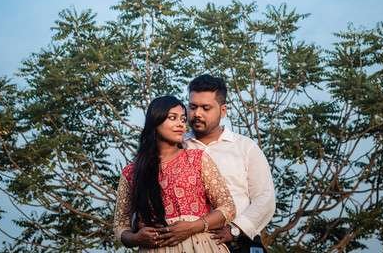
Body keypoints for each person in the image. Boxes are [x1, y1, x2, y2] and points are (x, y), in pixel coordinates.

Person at [113, 95, 236, 252]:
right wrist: (136, 238)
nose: (181, 124)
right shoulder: (132, 172)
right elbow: (120, 225)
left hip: (199, 246)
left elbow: (228, 207)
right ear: (155, 121)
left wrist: (193, 227)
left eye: (183, 119)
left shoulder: (197, 159)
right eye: (173, 118)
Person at [184, 75, 275, 253]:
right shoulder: (178, 147)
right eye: (193, 107)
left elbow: (265, 198)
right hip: (192, 244)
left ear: (223, 110)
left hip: (240, 243)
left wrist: (235, 230)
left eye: (206, 108)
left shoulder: (245, 147)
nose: (197, 114)